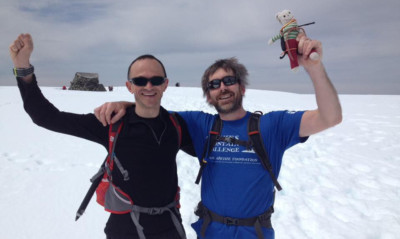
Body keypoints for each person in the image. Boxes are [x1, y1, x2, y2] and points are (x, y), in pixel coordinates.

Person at [94, 33, 342, 239]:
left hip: (255, 233)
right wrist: (125, 103)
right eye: (214, 85)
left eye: (229, 80)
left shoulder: (273, 125)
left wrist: (315, 68)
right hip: (209, 231)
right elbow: (150, 111)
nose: (222, 87)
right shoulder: (200, 124)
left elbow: (329, 117)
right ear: (209, 96)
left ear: (241, 87)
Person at [9, 33, 195, 239]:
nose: (148, 86)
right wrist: (23, 68)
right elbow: (45, 116)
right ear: (129, 86)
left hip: (169, 228)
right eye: (140, 80)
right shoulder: (111, 124)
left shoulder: (177, 126)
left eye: (156, 80)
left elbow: (216, 142)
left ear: (165, 84)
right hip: (124, 230)